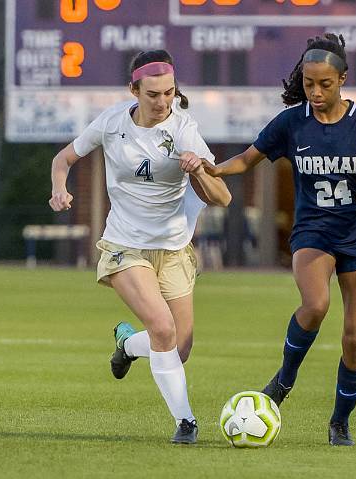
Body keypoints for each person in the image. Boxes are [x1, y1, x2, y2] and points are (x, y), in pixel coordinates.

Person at [203, 33, 356, 446]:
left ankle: (339, 422)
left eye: (324, 84)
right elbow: (248, 158)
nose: (315, 91)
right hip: (313, 230)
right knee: (315, 304)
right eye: (309, 83)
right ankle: (284, 379)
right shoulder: (294, 122)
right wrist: (215, 170)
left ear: (342, 79)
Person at [49, 49, 231, 444]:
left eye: (169, 93)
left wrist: (198, 167)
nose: (163, 102)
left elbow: (223, 198)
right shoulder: (112, 122)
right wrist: (58, 189)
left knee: (178, 347)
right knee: (163, 328)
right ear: (133, 90)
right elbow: (63, 159)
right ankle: (185, 422)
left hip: (174, 249)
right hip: (125, 245)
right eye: (153, 94)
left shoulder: (184, 129)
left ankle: (128, 344)